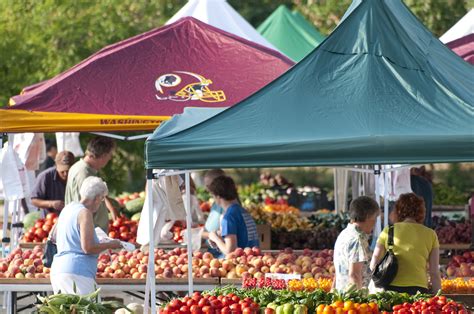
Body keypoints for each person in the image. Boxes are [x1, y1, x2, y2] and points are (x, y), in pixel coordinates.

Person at [51, 176, 122, 295]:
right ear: (98, 198)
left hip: (58, 270)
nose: (101, 203)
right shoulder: (85, 213)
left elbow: (53, 235)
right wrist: (110, 244)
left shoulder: (68, 208)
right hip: (77, 272)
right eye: (102, 199)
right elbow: (88, 248)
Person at [370, 193, 441, 294]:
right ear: (421, 212)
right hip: (418, 290)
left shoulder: (388, 231)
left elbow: (374, 262)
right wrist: (438, 295)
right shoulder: (430, 234)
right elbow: (434, 272)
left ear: (398, 211)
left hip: (390, 289)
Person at [65, 137, 118, 232]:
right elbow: (86, 203)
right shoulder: (84, 174)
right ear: (103, 156)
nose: (110, 158)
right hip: (89, 232)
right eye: (109, 155)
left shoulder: (80, 168)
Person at [203, 169, 259, 250]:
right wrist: (220, 240)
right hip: (249, 258)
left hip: (239, 261)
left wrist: (215, 238)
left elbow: (230, 251)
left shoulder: (228, 217)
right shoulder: (242, 211)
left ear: (218, 196)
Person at [333, 196, 379, 291]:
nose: (375, 223)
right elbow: (354, 274)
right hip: (352, 300)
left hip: (343, 297)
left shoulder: (345, 233)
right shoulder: (357, 239)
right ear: (367, 217)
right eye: (375, 218)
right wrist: (359, 301)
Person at [31, 151, 75, 215]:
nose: (65, 174)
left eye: (68, 171)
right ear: (56, 166)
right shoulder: (45, 177)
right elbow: (34, 200)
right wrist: (51, 203)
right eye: (62, 171)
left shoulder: (77, 176)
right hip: (50, 219)